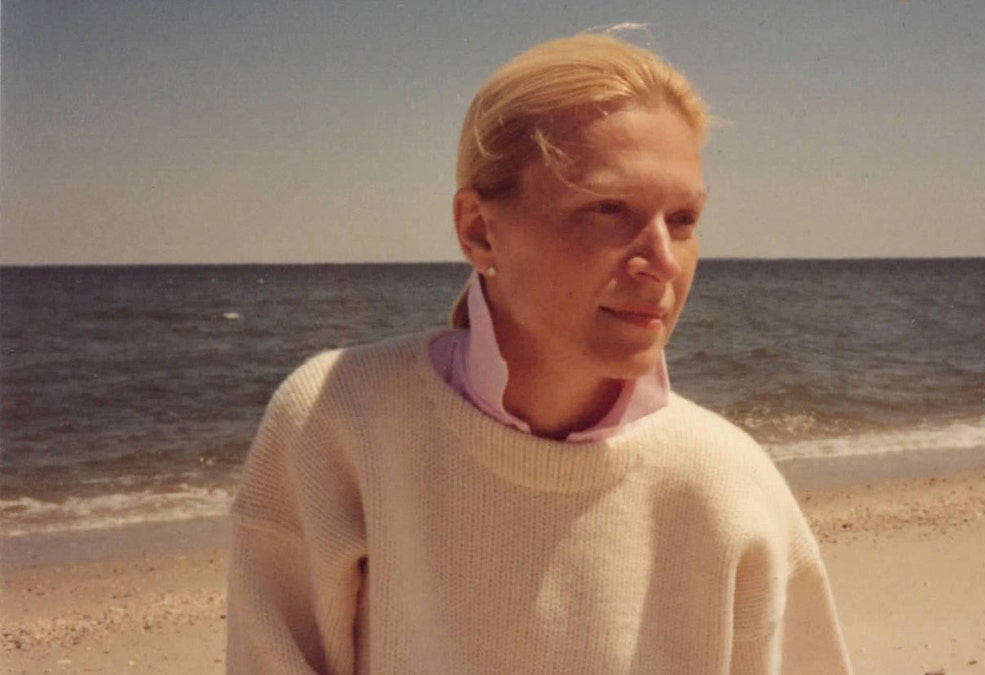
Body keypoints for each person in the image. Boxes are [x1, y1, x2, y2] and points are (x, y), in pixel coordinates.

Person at [226, 30, 852, 675]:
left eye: (684, 219)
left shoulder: (730, 484)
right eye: (608, 209)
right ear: (478, 230)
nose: (664, 261)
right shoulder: (339, 420)